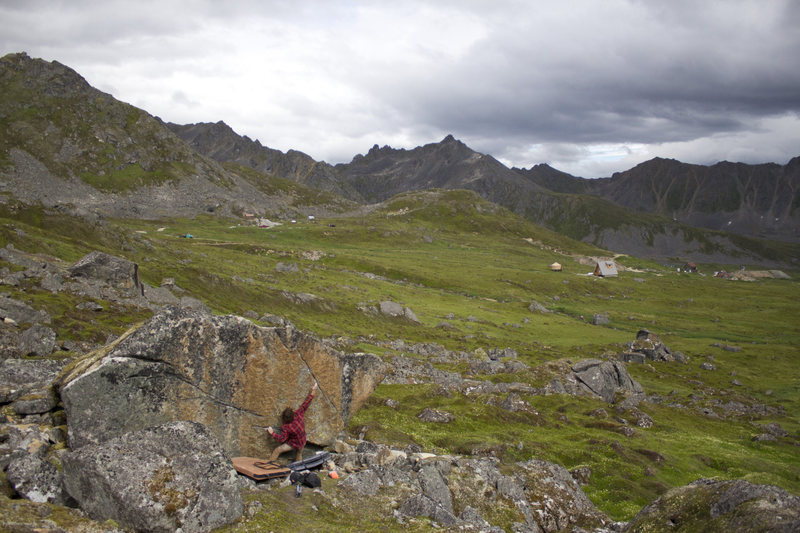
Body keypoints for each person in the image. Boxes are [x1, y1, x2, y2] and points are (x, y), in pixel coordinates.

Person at [267, 381, 317, 462]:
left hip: (293, 444)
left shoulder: (286, 427)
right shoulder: (298, 414)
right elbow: (306, 403)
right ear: (293, 413)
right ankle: (298, 468)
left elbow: (282, 439)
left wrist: (272, 433)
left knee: (277, 450)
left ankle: (269, 464)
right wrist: (314, 390)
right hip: (302, 441)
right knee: (299, 453)